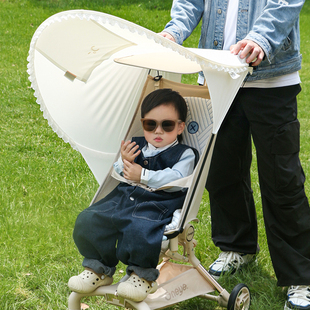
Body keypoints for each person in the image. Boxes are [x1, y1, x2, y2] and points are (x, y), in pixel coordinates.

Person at [160, 1, 310, 310]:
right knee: (222, 171)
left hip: (270, 79)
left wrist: (260, 39)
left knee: (282, 180)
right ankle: (236, 246)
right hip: (217, 76)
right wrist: (174, 32)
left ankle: (300, 275)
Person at [68, 88, 198, 302]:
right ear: (143, 123)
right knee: (89, 219)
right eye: (150, 124)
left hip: (156, 204)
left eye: (167, 125)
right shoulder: (136, 145)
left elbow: (177, 178)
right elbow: (119, 172)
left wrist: (143, 175)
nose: (158, 131)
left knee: (140, 229)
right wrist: (125, 162)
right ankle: (98, 268)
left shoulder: (184, 154)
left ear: (180, 126)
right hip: (124, 198)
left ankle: (141, 276)